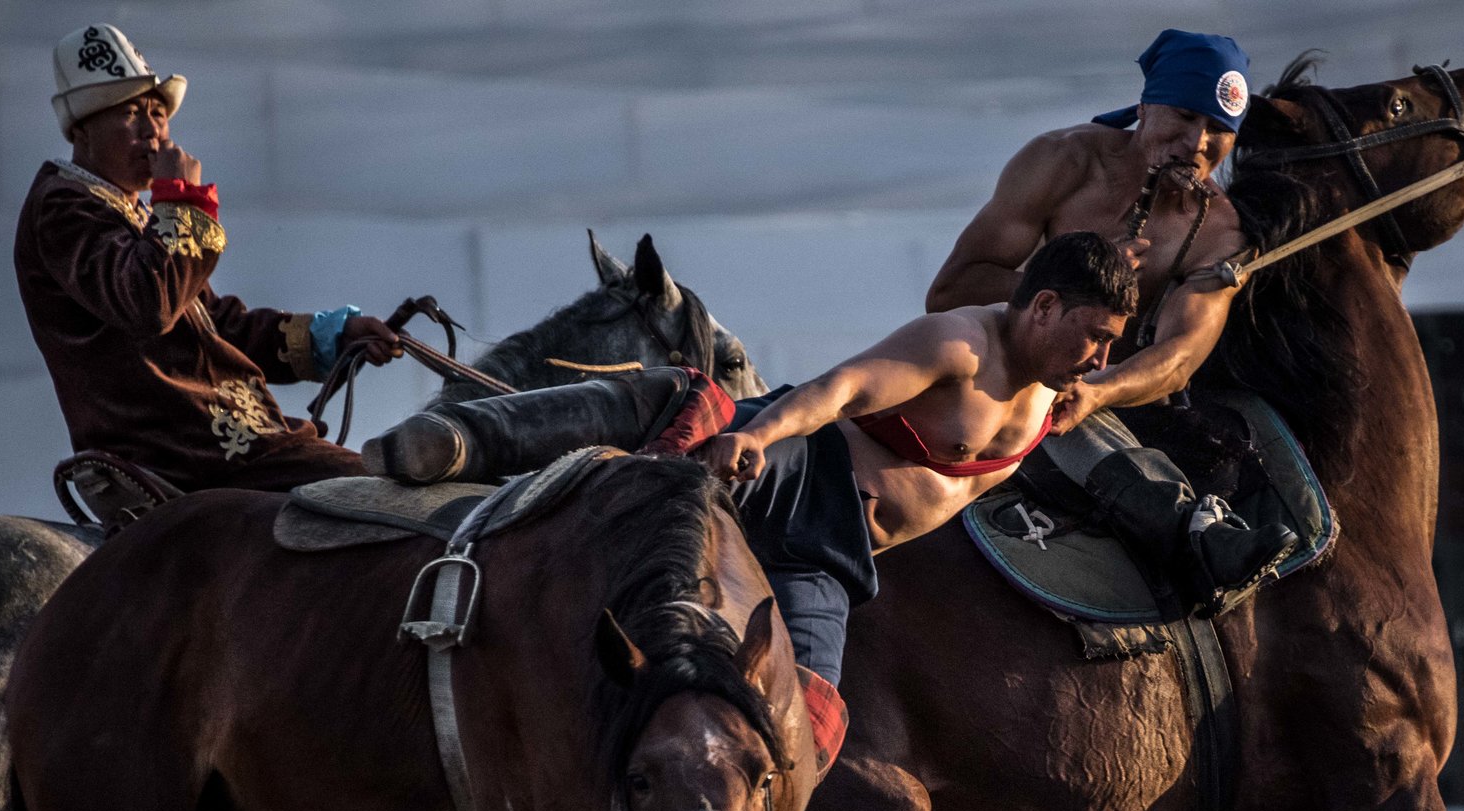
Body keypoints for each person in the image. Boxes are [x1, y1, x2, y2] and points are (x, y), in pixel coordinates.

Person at [366, 232, 1134, 711]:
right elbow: (840, 388)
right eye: (1094, 338)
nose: (1099, 359)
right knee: (686, 409)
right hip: (800, 470)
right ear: (1042, 306)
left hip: (831, 557)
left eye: (1109, 345)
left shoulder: (1055, 400)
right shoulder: (960, 344)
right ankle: (459, 440)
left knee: (811, 715)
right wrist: (760, 434)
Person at [927, 29, 1295, 603]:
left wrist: (1101, 391)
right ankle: (1186, 529)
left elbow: (1178, 359)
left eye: (1220, 129)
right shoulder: (1059, 161)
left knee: (1070, 390)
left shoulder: (1221, 232)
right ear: (1147, 105)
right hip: (1005, 362)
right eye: (1183, 115)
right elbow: (951, 289)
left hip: (1110, 402)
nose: (1198, 142)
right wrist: (1070, 280)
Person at [16, 24, 404, 502]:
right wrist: (181, 203)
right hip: (181, 450)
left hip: (226, 442)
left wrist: (334, 337)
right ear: (81, 129)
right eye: (130, 112)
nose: (152, 131)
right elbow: (148, 303)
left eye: (158, 112)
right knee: (392, 495)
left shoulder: (128, 211)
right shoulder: (64, 207)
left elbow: (217, 326)